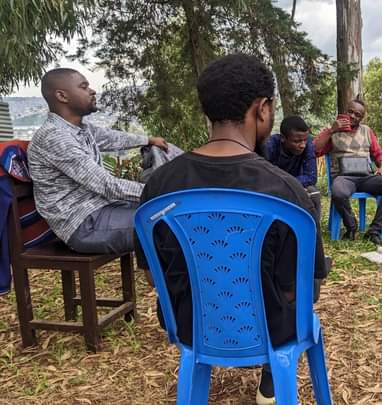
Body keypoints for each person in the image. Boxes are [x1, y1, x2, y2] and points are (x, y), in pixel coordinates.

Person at [135, 53, 328, 405]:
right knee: (305, 283)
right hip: (273, 327)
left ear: (206, 110)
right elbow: (295, 290)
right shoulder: (287, 191)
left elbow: (152, 278)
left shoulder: (159, 186)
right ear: (263, 109)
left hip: (190, 324)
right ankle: (272, 380)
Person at [27, 68, 167, 254]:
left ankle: (172, 281)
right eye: (84, 87)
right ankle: (175, 282)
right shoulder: (55, 137)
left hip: (102, 208)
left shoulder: (78, 129)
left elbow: (109, 137)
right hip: (83, 224)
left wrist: (148, 140)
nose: (92, 91)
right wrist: (165, 190)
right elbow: (107, 185)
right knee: (168, 225)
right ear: (62, 96)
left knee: (169, 212)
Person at [314, 99, 382, 245]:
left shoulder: (367, 131)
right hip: (344, 178)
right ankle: (351, 226)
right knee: (338, 192)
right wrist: (331, 130)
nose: (353, 116)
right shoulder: (332, 130)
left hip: (366, 177)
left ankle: (374, 230)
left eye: (358, 115)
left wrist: (381, 167)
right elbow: (315, 150)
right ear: (345, 110)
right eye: (350, 112)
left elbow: (379, 154)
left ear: (362, 118)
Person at [264, 116, 321, 221]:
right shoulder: (270, 146)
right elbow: (263, 176)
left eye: (304, 140)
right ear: (283, 138)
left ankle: (314, 233)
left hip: (296, 185)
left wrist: (288, 183)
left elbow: (311, 177)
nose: (302, 145)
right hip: (272, 187)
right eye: (297, 141)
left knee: (314, 193)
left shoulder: (308, 145)